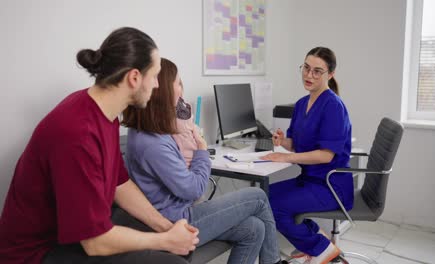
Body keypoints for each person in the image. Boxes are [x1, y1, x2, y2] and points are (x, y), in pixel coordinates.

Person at [0, 27, 198, 264]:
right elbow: (95, 242)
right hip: (38, 253)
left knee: (174, 247)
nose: (157, 85)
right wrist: (165, 241)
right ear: (134, 78)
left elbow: (119, 183)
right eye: (154, 76)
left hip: (73, 235)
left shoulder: (105, 113)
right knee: (171, 261)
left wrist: (165, 227)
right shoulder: (76, 132)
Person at [121, 57, 288, 264]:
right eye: (178, 83)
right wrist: (201, 148)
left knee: (254, 228)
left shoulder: (155, 131)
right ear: (162, 90)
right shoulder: (151, 144)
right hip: (176, 220)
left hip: (179, 210)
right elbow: (195, 189)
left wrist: (188, 129)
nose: (182, 90)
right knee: (258, 196)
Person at [261, 47, 353, 264]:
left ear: (330, 74)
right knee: (261, 197)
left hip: (331, 186)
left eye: (317, 71)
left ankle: (322, 251)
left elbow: (325, 156)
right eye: (306, 68)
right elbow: (296, 145)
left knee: (275, 206)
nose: (309, 75)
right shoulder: (302, 103)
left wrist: (285, 158)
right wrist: (283, 142)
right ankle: (319, 243)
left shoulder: (333, 106)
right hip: (309, 181)